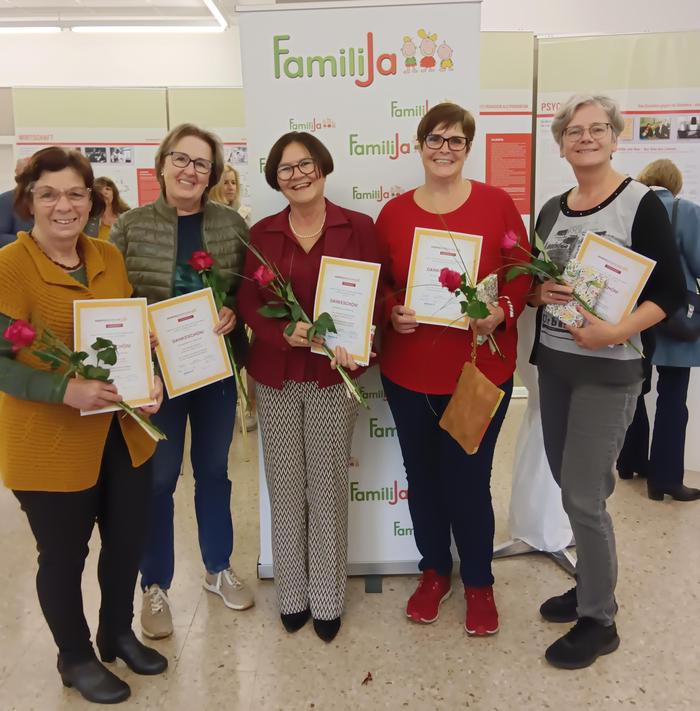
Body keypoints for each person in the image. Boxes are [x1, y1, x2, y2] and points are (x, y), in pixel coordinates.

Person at [0, 147, 167, 704]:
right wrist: (62, 389)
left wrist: (148, 379)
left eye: (75, 193)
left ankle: (116, 631)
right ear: (29, 201)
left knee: (125, 542)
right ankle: (73, 655)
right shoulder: (10, 267)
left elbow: (123, 334)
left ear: (92, 201)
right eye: (48, 194)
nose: (63, 205)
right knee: (65, 554)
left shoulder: (106, 256)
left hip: (121, 432)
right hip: (49, 442)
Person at [531, 95, 685, 669]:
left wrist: (616, 329)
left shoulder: (642, 205)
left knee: (584, 495)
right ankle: (589, 584)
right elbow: (538, 281)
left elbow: (670, 293)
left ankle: (600, 619)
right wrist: (537, 293)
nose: (586, 137)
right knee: (569, 483)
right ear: (561, 142)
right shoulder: (552, 209)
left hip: (609, 370)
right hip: (556, 366)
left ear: (617, 138)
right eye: (575, 130)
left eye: (598, 129)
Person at [375, 102, 531, 637]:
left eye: (455, 140)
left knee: (469, 483)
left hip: (478, 374)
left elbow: (521, 274)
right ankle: (435, 571)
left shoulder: (496, 205)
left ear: (468, 147)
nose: (444, 149)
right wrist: (392, 310)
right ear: (418, 146)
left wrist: (502, 311)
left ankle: (480, 583)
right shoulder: (393, 214)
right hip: (408, 373)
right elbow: (384, 285)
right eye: (434, 139)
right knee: (422, 480)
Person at [110, 124, 254, 641]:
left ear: (213, 173)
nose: (190, 170)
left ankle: (218, 568)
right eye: (181, 159)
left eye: (201, 163)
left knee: (214, 472)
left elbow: (245, 292)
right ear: (163, 164)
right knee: (158, 480)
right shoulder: (129, 225)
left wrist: (234, 314)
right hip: (156, 380)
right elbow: (112, 295)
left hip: (213, 369)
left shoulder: (231, 224)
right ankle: (156, 585)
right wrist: (136, 334)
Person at [238, 131, 379, 642]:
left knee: (325, 489)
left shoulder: (358, 227)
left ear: (323, 167)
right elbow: (249, 300)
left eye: (305, 165)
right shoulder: (263, 232)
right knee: (285, 488)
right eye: (285, 169)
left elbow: (377, 296)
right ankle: (292, 593)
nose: (296, 175)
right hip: (275, 375)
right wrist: (281, 332)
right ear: (275, 178)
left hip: (330, 376)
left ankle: (326, 597)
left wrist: (359, 340)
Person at [617, 159, 700, 501]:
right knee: (672, 400)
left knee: (633, 393)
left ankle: (631, 462)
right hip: (677, 319)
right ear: (674, 184)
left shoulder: (628, 210)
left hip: (634, 316)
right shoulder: (686, 211)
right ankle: (665, 479)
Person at [210, 164, 257, 432]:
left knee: (243, 358)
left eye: (234, 182)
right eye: (225, 182)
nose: (230, 187)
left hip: (232, 311)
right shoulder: (207, 220)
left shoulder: (242, 218)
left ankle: (248, 407)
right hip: (210, 310)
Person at [0, 158, 33, 246]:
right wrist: (31, 241)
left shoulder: (44, 198)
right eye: (26, 170)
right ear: (16, 172)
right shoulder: (5, 200)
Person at [94, 176, 130, 241]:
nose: (104, 192)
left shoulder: (127, 216)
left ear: (114, 193)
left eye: (107, 189)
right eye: (99, 189)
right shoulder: (89, 220)